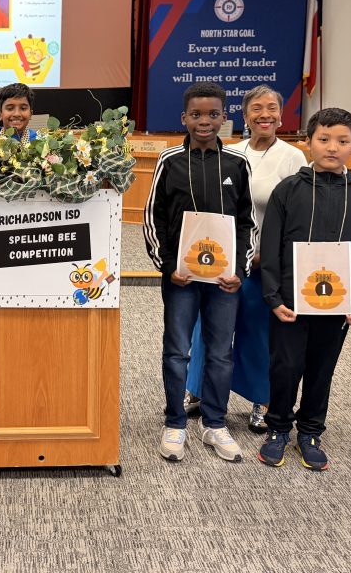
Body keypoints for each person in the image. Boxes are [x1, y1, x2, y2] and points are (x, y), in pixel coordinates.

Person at [259, 107, 351, 471]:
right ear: (308, 142)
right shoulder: (288, 190)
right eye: (324, 139)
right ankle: (278, 427)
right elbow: (271, 247)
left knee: (321, 367)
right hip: (290, 300)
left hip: (337, 304)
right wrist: (273, 296)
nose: (332, 147)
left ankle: (311, 430)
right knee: (285, 365)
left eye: (343, 141)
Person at [143, 81, 256, 464]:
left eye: (212, 114)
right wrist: (166, 265)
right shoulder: (169, 161)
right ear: (184, 118)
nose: (204, 121)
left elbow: (246, 222)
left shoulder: (238, 164)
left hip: (225, 281)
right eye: (196, 115)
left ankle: (215, 422)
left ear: (225, 117)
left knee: (221, 352)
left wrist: (238, 269)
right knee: (177, 350)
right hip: (181, 279)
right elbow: (152, 216)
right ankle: (175, 421)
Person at [184, 86, 306, 432]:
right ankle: (195, 390)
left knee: (256, 329)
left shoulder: (293, 157)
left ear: (281, 116)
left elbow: (295, 215)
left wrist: (265, 256)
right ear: (245, 116)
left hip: (263, 263)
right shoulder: (228, 152)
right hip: (222, 258)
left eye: (271, 108)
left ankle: (261, 400)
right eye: (256, 108)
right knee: (206, 327)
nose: (264, 114)